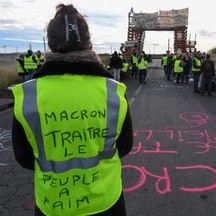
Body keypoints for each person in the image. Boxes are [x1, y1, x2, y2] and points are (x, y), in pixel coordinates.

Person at [12, 4, 133, 216]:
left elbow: (23, 157)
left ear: (50, 44)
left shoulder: (28, 95)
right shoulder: (113, 91)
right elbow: (124, 146)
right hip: (105, 202)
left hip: (53, 203)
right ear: (89, 44)